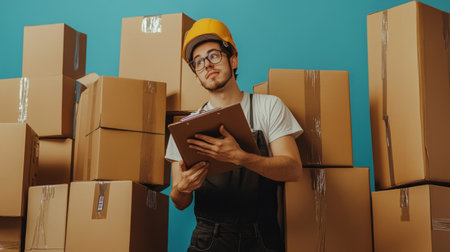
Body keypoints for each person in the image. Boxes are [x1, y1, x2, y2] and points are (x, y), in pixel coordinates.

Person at [165, 18, 303, 252]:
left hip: (264, 238)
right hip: (209, 240)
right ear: (197, 77)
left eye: (214, 55)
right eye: (198, 62)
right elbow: (179, 202)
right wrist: (183, 189)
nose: (207, 64)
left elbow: (293, 170)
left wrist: (241, 157)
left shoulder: (268, 107)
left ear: (233, 59)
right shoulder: (186, 127)